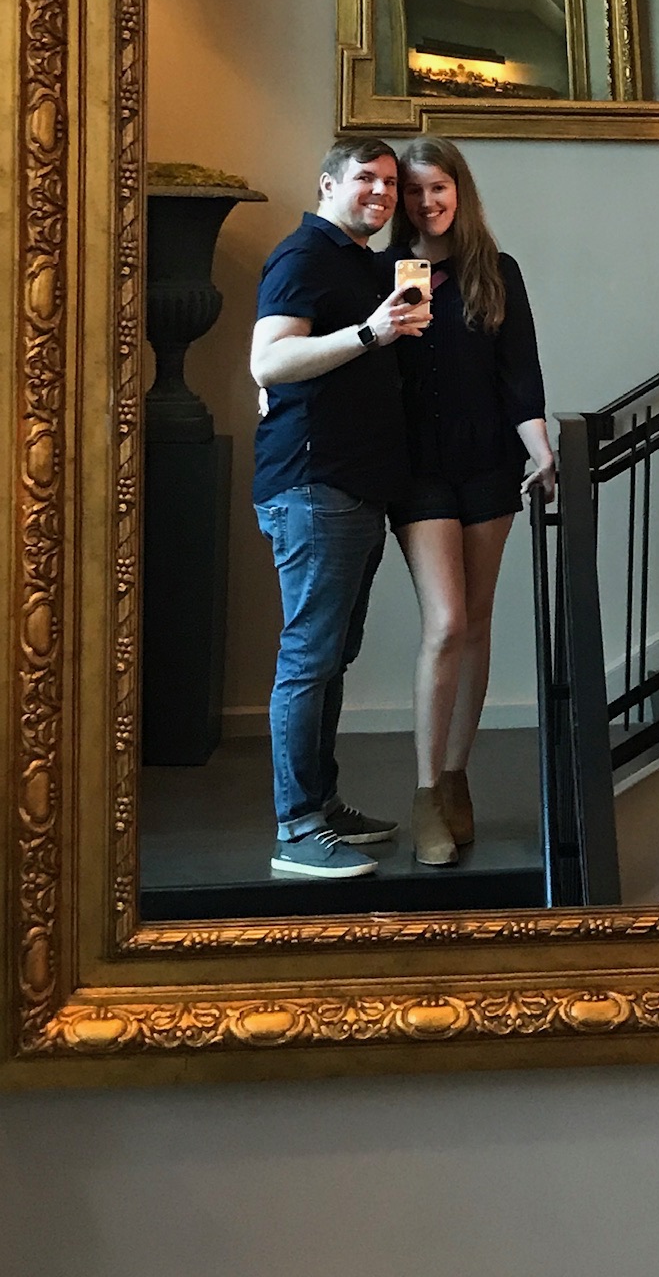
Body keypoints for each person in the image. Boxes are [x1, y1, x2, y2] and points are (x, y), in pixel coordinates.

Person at [250, 138, 431, 880]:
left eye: (390, 182)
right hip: (313, 484)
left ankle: (319, 805)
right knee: (307, 659)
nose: (382, 193)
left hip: (354, 487)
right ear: (328, 182)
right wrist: (368, 333)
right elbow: (268, 361)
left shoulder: (362, 262)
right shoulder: (303, 256)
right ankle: (296, 828)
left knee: (330, 658)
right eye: (366, 179)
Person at [386, 136, 556, 867]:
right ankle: (425, 792)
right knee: (446, 622)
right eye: (416, 191)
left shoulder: (498, 271)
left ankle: (457, 778)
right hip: (417, 468)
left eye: (439, 188)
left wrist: (543, 449)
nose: (428, 202)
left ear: (460, 192)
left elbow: (521, 377)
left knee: (478, 623)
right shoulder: (383, 271)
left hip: (489, 461)